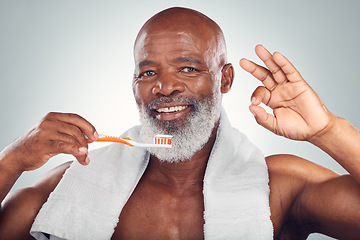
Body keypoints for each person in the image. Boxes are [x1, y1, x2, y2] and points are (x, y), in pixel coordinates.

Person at [1, 6, 360, 240]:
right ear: (134, 86)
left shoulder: (281, 187)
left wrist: (328, 131)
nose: (165, 86)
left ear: (225, 80)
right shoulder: (74, 185)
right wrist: (13, 159)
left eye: (188, 68)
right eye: (148, 72)